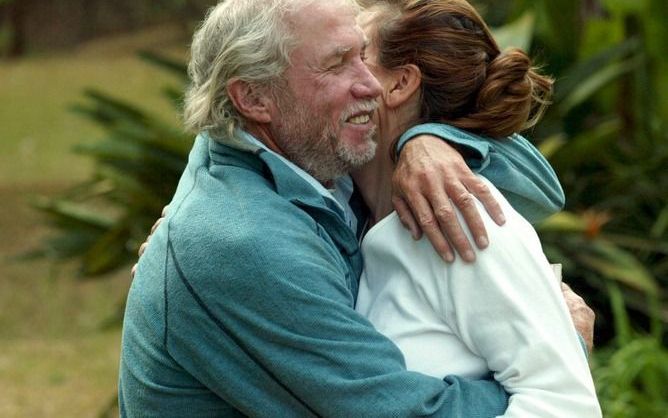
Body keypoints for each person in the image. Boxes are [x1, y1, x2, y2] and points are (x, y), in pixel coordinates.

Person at [119, 0, 594, 416]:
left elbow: (538, 185)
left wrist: (426, 139)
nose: (368, 84)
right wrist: (560, 351)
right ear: (255, 98)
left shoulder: (335, 173)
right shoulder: (243, 240)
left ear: (405, 85)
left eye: (363, 55)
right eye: (339, 62)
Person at [352, 0, 601, 416]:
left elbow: (565, 405)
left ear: (399, 85)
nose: (337, 72)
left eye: (355, 56)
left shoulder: (464, 217)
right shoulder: (346, 205)